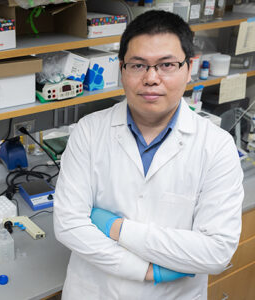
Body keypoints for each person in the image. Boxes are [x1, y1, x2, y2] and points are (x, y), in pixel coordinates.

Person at [53, 10, 244, 300]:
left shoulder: (216, 146)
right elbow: (69, 225)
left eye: (166, 64)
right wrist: (147, 271)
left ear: (188, 67)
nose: (151, 78)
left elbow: (215, 252)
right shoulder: (89, 132)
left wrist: (114, 227)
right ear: (122, 70)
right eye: (138, 65)